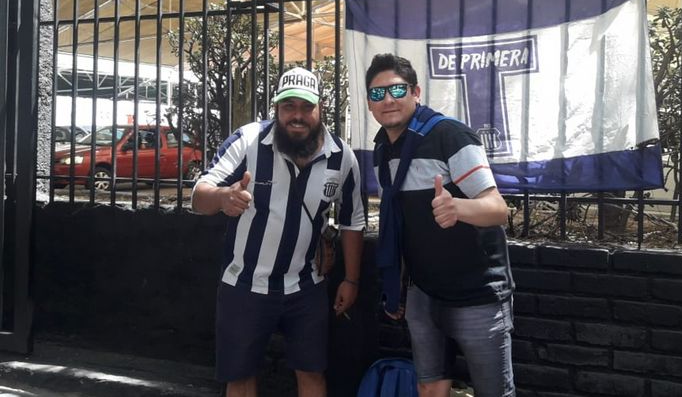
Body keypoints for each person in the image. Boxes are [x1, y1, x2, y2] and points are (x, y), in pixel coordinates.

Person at [192, 67, 365, 397]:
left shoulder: (342, 158)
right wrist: (222, 197)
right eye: (288, 106)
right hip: (245, 284)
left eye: (306, 106)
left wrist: (352, 279)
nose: (297, 116)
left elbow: (353, 221)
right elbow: (199, 195)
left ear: (320, 108)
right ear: (276, 108)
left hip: (307, 287)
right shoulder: (248, 141)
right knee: (240, 377)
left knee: (312, 373)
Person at [366, 54, 515, 397]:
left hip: (476, 292)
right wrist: (398, 284)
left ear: (416, 92)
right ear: (369, 103)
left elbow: (498, 210)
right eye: (377, 93)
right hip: (423, 293)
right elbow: (399, 223)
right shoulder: (381, 149)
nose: (387, 100)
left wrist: (458, 207)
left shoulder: (450, 135)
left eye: (397, 90)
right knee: (430, 386)